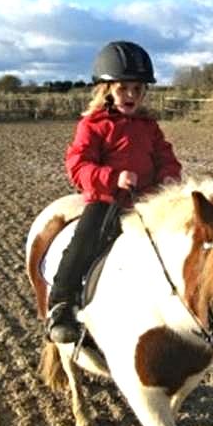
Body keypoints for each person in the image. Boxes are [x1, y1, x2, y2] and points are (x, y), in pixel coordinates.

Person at [46, 41, 182, 343]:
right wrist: (113, 177)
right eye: (123, 89)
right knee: (83, 243)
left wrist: (170, 179)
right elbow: (77, 166)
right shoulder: (93, 125)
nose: (131, 95)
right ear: (107, 90)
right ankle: (61, 305)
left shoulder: (149, 126)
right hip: (106, 201)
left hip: (146, 203)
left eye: (137, 89)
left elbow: (166, 157)